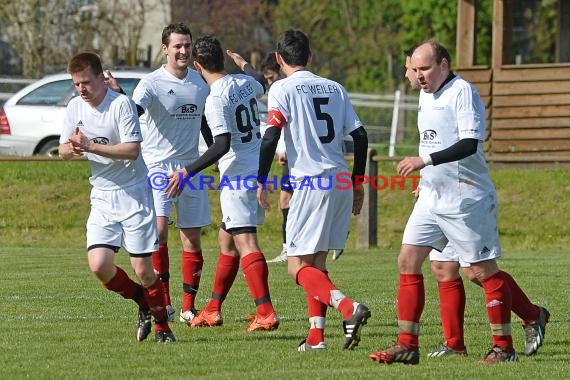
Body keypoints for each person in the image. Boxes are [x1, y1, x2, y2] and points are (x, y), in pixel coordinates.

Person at [369, 40, 549, 365]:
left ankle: (506, 345)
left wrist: (425, 162)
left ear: (443, 65)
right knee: (410, 260)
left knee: (479, 271)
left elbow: (468, 144)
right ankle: (408, 344)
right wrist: (426, 183)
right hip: (432, 198)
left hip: (466, 198)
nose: (419, 75)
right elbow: (435, 139)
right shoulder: (426, 94)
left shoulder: (462, 92)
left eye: (424, 68)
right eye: (416, 69)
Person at [256, 29, 370, 351]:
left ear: (279, 59)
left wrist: (260, 180)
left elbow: (270, 137)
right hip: (340, 180)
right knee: (316, 263)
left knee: (296, 266)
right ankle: (316, 338)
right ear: (310, 56)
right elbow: (360, 137)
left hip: (310, 184)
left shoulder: (281, 87)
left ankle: (349, 309)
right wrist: (358, 183)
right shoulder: (336, 88)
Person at [58, 52, 175, 343]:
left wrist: (91, 148)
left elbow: (132, 150)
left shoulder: (120, 104)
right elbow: (62, 148)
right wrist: (71, 150)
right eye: (76, 84)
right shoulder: (74, 107)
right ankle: (142, 302)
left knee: (144, 271)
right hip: (102, 196)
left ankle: (163, 328)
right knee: (99, 266)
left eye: (86, 82)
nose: (81, 89)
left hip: (134, 195)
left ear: (101, 77)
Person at [165, 35, 279, 332]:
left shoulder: (215, 97)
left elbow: (222, 144)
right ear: (224, 60)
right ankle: (213, 309)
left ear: (198, 65)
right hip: (255, 169)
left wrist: (187, 171)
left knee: (246, 242)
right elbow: (260, 81)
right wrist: (243, 63)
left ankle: (265, 312)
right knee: (226, 241)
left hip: (238, 175)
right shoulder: (243, 82)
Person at [111, 23, 213, 324]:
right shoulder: (151, 83)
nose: (183, 51)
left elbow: (207, 124)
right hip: (157, 167)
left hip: (190, 168)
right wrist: (120, 98)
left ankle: (188, 307)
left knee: (192, 238)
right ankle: (164, 302)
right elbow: (134, 113)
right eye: (177, 46)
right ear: (165, 48)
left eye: (187, 45)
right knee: (157, 233)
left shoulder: (199, 82)